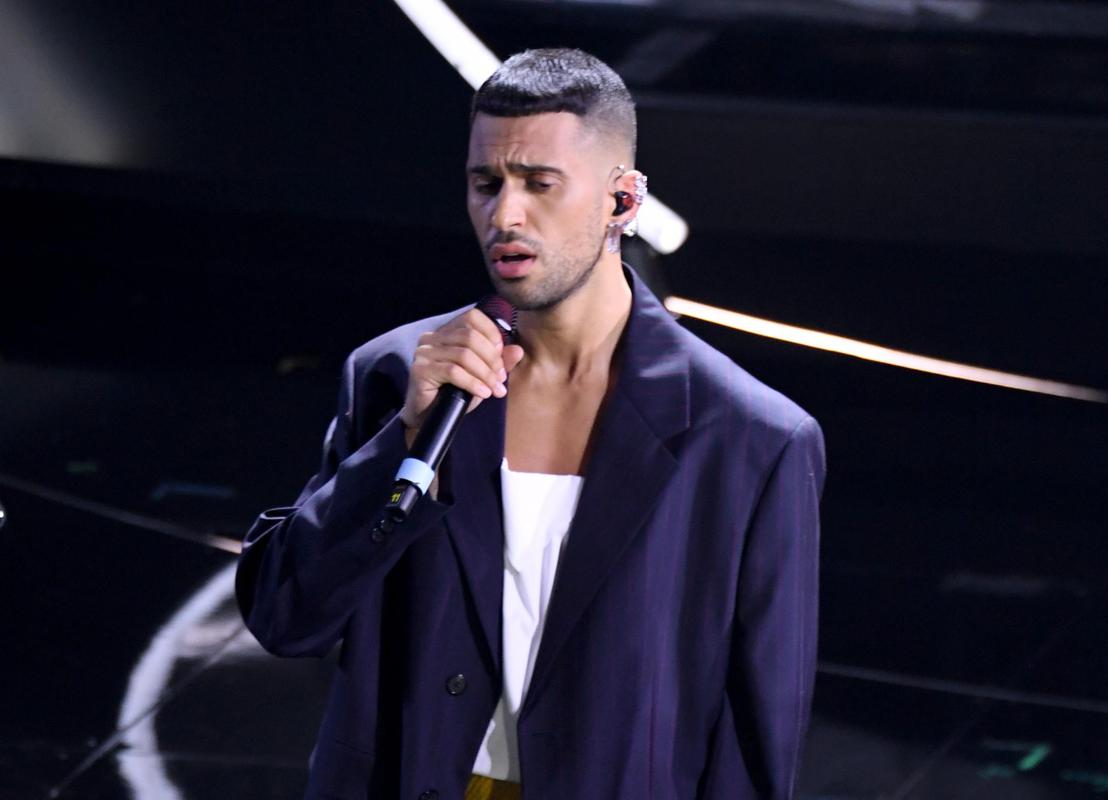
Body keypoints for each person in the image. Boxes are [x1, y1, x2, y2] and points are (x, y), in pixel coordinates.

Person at [236, 47, 825, 800]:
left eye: (539, 184)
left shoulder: (750, 439)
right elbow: (287, 618)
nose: (504, 216)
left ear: (623, 201)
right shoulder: (398, 376)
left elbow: (756, 736)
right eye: (486, 184)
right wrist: (404, 439)